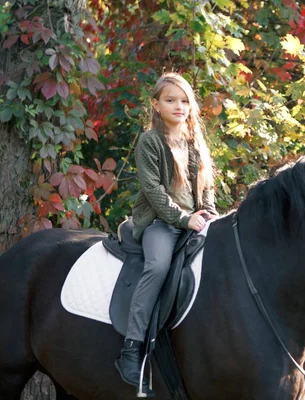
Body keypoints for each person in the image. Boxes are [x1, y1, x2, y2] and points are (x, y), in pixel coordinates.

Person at [115, 72, 217, 387]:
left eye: (184, 100)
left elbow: (207, 185)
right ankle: (131, 349)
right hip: (160, 223)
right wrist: (184, 219)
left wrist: (210, 212)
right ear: (156, 105)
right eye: (171, 100)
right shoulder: (150, 142)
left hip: (195, 219)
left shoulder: (194, 141)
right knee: (157, 267)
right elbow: (154, 191)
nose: (179, 106)